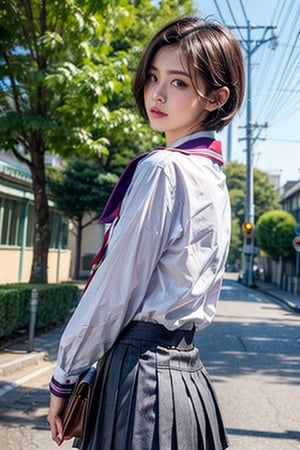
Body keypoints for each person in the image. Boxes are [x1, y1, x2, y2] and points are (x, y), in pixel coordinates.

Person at [48, 15, 245, 450]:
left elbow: (114, 289)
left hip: (137, 381)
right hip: (189, 382)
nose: (156, 93)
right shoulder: (213, 178)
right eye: (153, 76)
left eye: (178, 82)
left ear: (216, 97)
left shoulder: (163, 169)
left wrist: (65, 375)